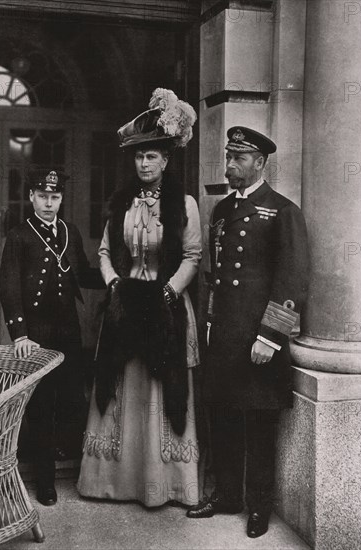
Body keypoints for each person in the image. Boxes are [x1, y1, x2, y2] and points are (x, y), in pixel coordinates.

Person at [77, 88, 201, 508]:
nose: (143, 164)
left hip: (166, 304)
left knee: (160, 388)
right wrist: (114, 284)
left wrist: (169, 291)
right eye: (138, 157)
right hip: (125, 301)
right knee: (118, 384)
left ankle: (163, 483)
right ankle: (114, 481)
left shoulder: (183, 204)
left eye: (151, 156)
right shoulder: (121, 204)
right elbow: (106, 253)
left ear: (166, 160)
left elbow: (192, 256)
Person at [187, 127, 309, 538]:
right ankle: (225, 496)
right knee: (222, 417)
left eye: (240, 158)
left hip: (259, 341)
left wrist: (270, 338)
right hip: (223, 337)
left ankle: (259, 508)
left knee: (259, 426)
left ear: (260, 162)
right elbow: (215, 276)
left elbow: (292, 281)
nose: (231, 165)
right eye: (229, 156)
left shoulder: (282, 211)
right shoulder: (221, 210)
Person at [0, 170, 104, 506]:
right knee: (41, 405)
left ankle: (65, 461)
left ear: (61, 199)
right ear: (31, 197)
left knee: (71, 397)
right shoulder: (19, 236)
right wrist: (20, 334)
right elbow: (9, 287)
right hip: (37, 334)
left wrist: (118, 275)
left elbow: (84, 273)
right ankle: (45, 481)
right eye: (42, 196)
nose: (48, 203)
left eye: (55, 197)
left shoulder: (69, 232)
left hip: (68, 331)